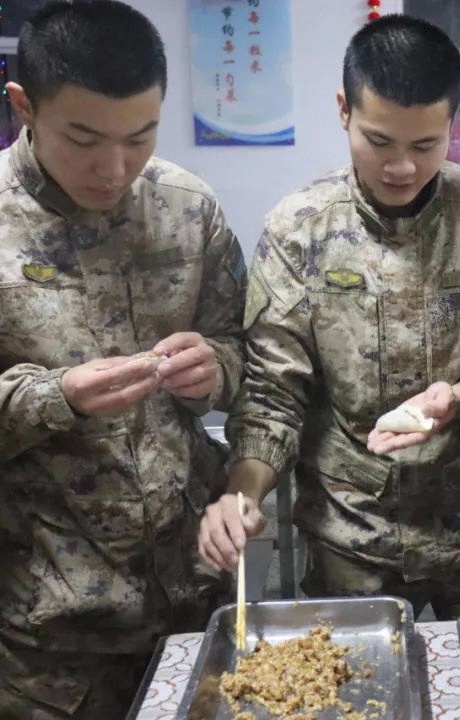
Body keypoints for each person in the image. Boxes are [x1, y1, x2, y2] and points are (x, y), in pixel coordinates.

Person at [199, 15, 460, 620]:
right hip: (350, 534)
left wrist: (458, 399)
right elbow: (273, 391)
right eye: (379, 141)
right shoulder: (300, 229)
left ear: (453, 125)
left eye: (425, 146)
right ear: (344, 111)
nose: (401, 167)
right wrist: (242, 493)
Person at [0, 2, 246, 716]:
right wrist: (55, 398)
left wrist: (215, 370)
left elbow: (243, 354)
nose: (114, 169)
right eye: (84, 139)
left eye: (140, 137)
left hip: (192, 597)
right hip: (48, 636)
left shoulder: (188, 209)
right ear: (23, 106)